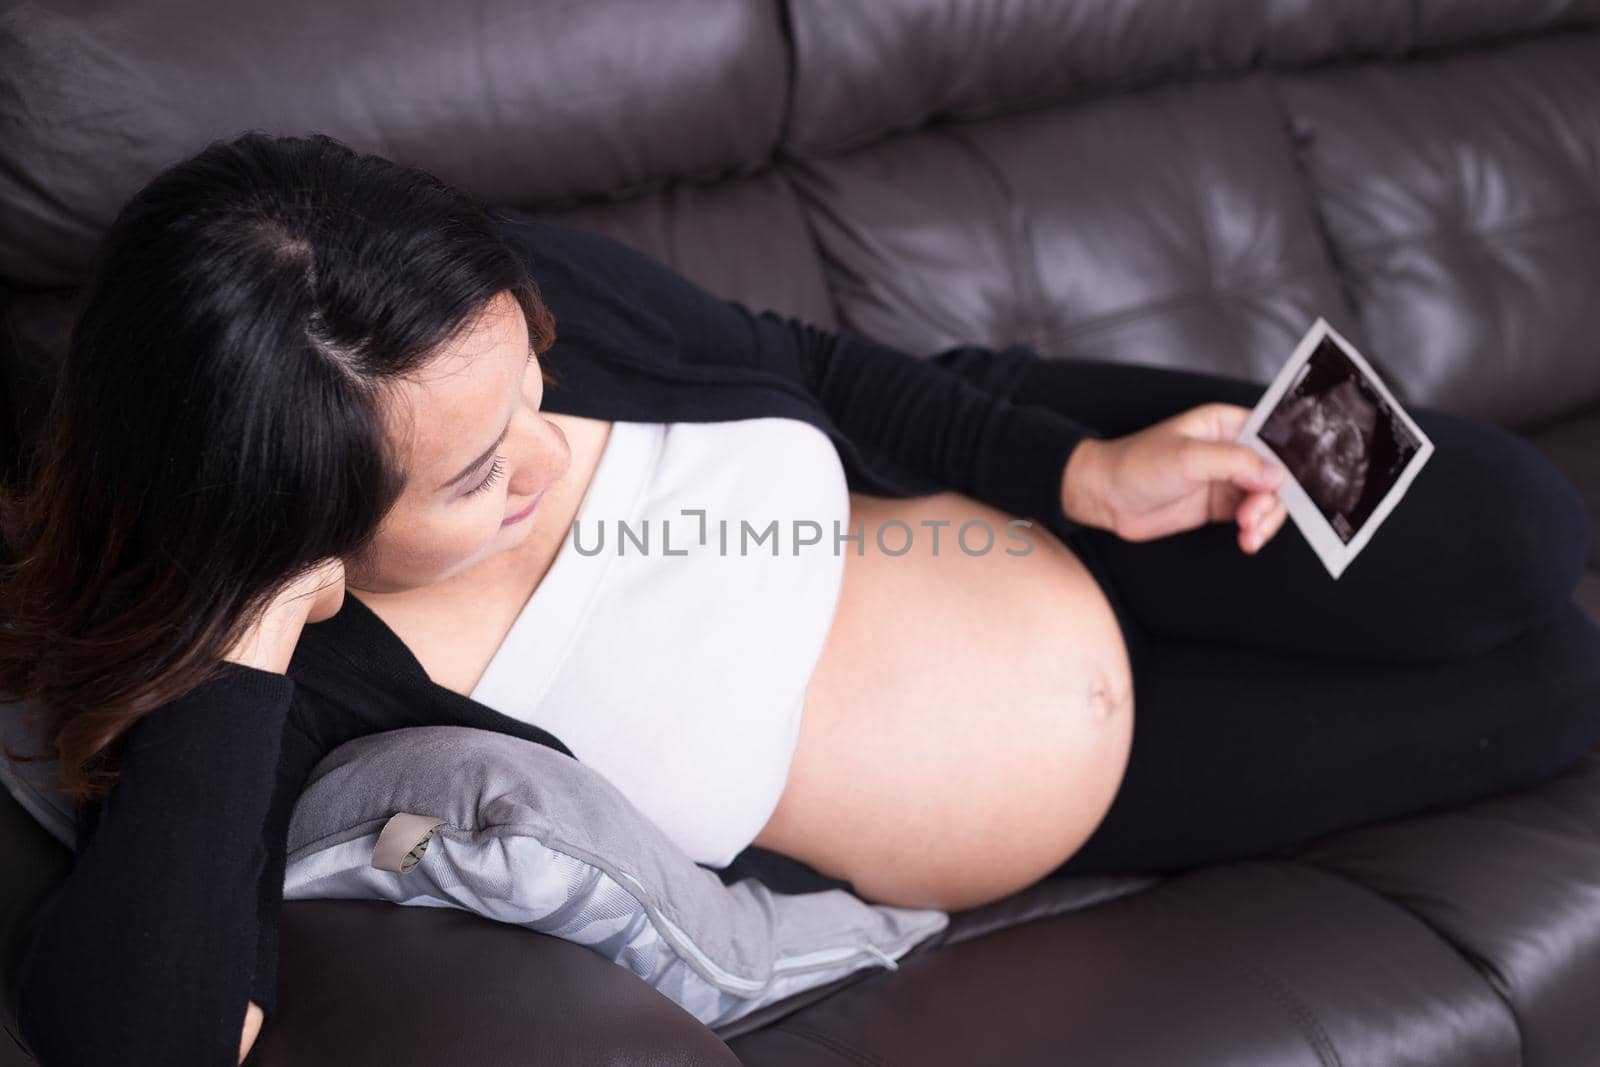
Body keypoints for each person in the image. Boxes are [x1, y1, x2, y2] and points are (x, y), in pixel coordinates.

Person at [2, 130, 1596, 1066]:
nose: (547, 448)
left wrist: (1077, 470)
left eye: (533, 369)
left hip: (1038, 500)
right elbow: (138, 1041)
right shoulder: (316, 670)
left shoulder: (447, 313)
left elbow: (803, 364)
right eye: (479, 472)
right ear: (296, 536)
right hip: (1112, 779)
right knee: (1558, 694)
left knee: (1511, 522)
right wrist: (247, 631)